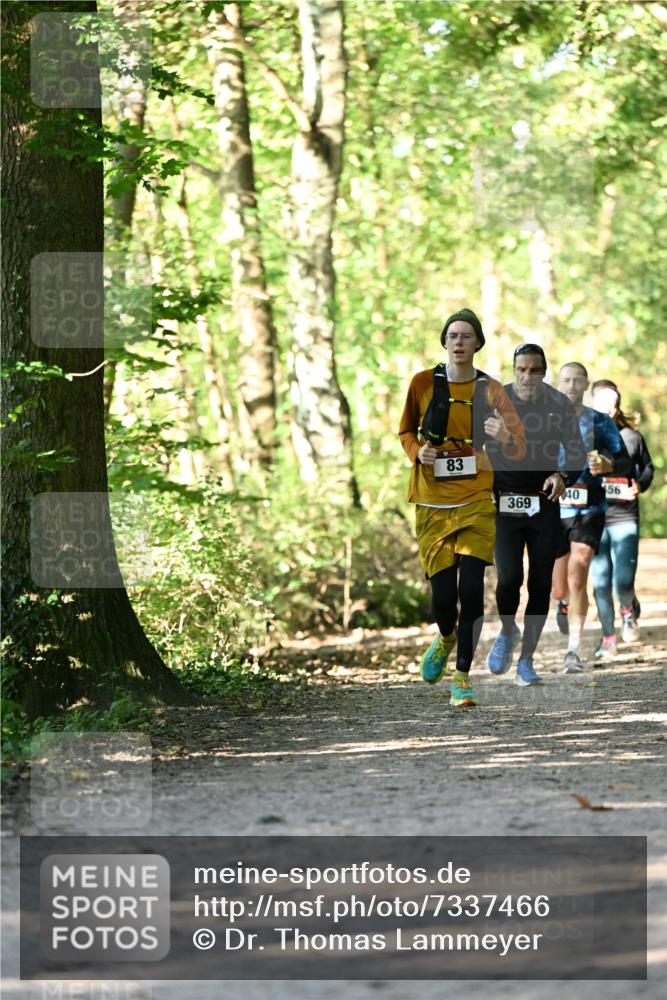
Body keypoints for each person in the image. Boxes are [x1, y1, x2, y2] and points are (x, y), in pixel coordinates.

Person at [398, 308, 526, 707]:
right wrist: (419, 452)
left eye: (466, 336)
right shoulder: (421, 383)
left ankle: (463, 676)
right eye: (452, 335)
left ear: (477, 343)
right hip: (432, 499)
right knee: (442, 598)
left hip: (475, 498)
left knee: (471, 589)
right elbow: (405, 430)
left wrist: (503, 434)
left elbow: (519, 446)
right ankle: (446, 636)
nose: (458, 342)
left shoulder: (492, 390)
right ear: (444, 342)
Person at [485, 344, 587, 685]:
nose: (527, 376)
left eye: (534, 370)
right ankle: (506, 630)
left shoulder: (559, 404)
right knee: (510, 579)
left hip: (544, 502)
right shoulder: (497, 401)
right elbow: (478, 445)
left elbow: (575, 450)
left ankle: (526, 660)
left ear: (544, 371)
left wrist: (563, 476)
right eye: (521, 370)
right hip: (504, 503)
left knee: (540, 585)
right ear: (513, 370)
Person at [551, 363, 631, 673]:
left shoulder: (598, 422)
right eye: (566, 380)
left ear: (585, 385)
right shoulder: (545, 420)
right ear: (559, 385)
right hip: (554, 510)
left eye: (577, 380)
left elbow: (623, 460)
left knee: (579, 570)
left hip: (590, 508)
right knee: (560, 588)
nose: (571, 385)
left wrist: (608, 466)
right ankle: (562, 602)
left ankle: (573, 651)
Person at [590, 380, 654, 658]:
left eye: (612, 402)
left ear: (617, 405)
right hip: (592, 516)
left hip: (624, 514)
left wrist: (639, 484)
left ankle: (628, 610)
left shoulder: (632, 437)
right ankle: (608, 638)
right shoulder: (581, 435)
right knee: (601, 581)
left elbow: (648, 467)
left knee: (622, 580)